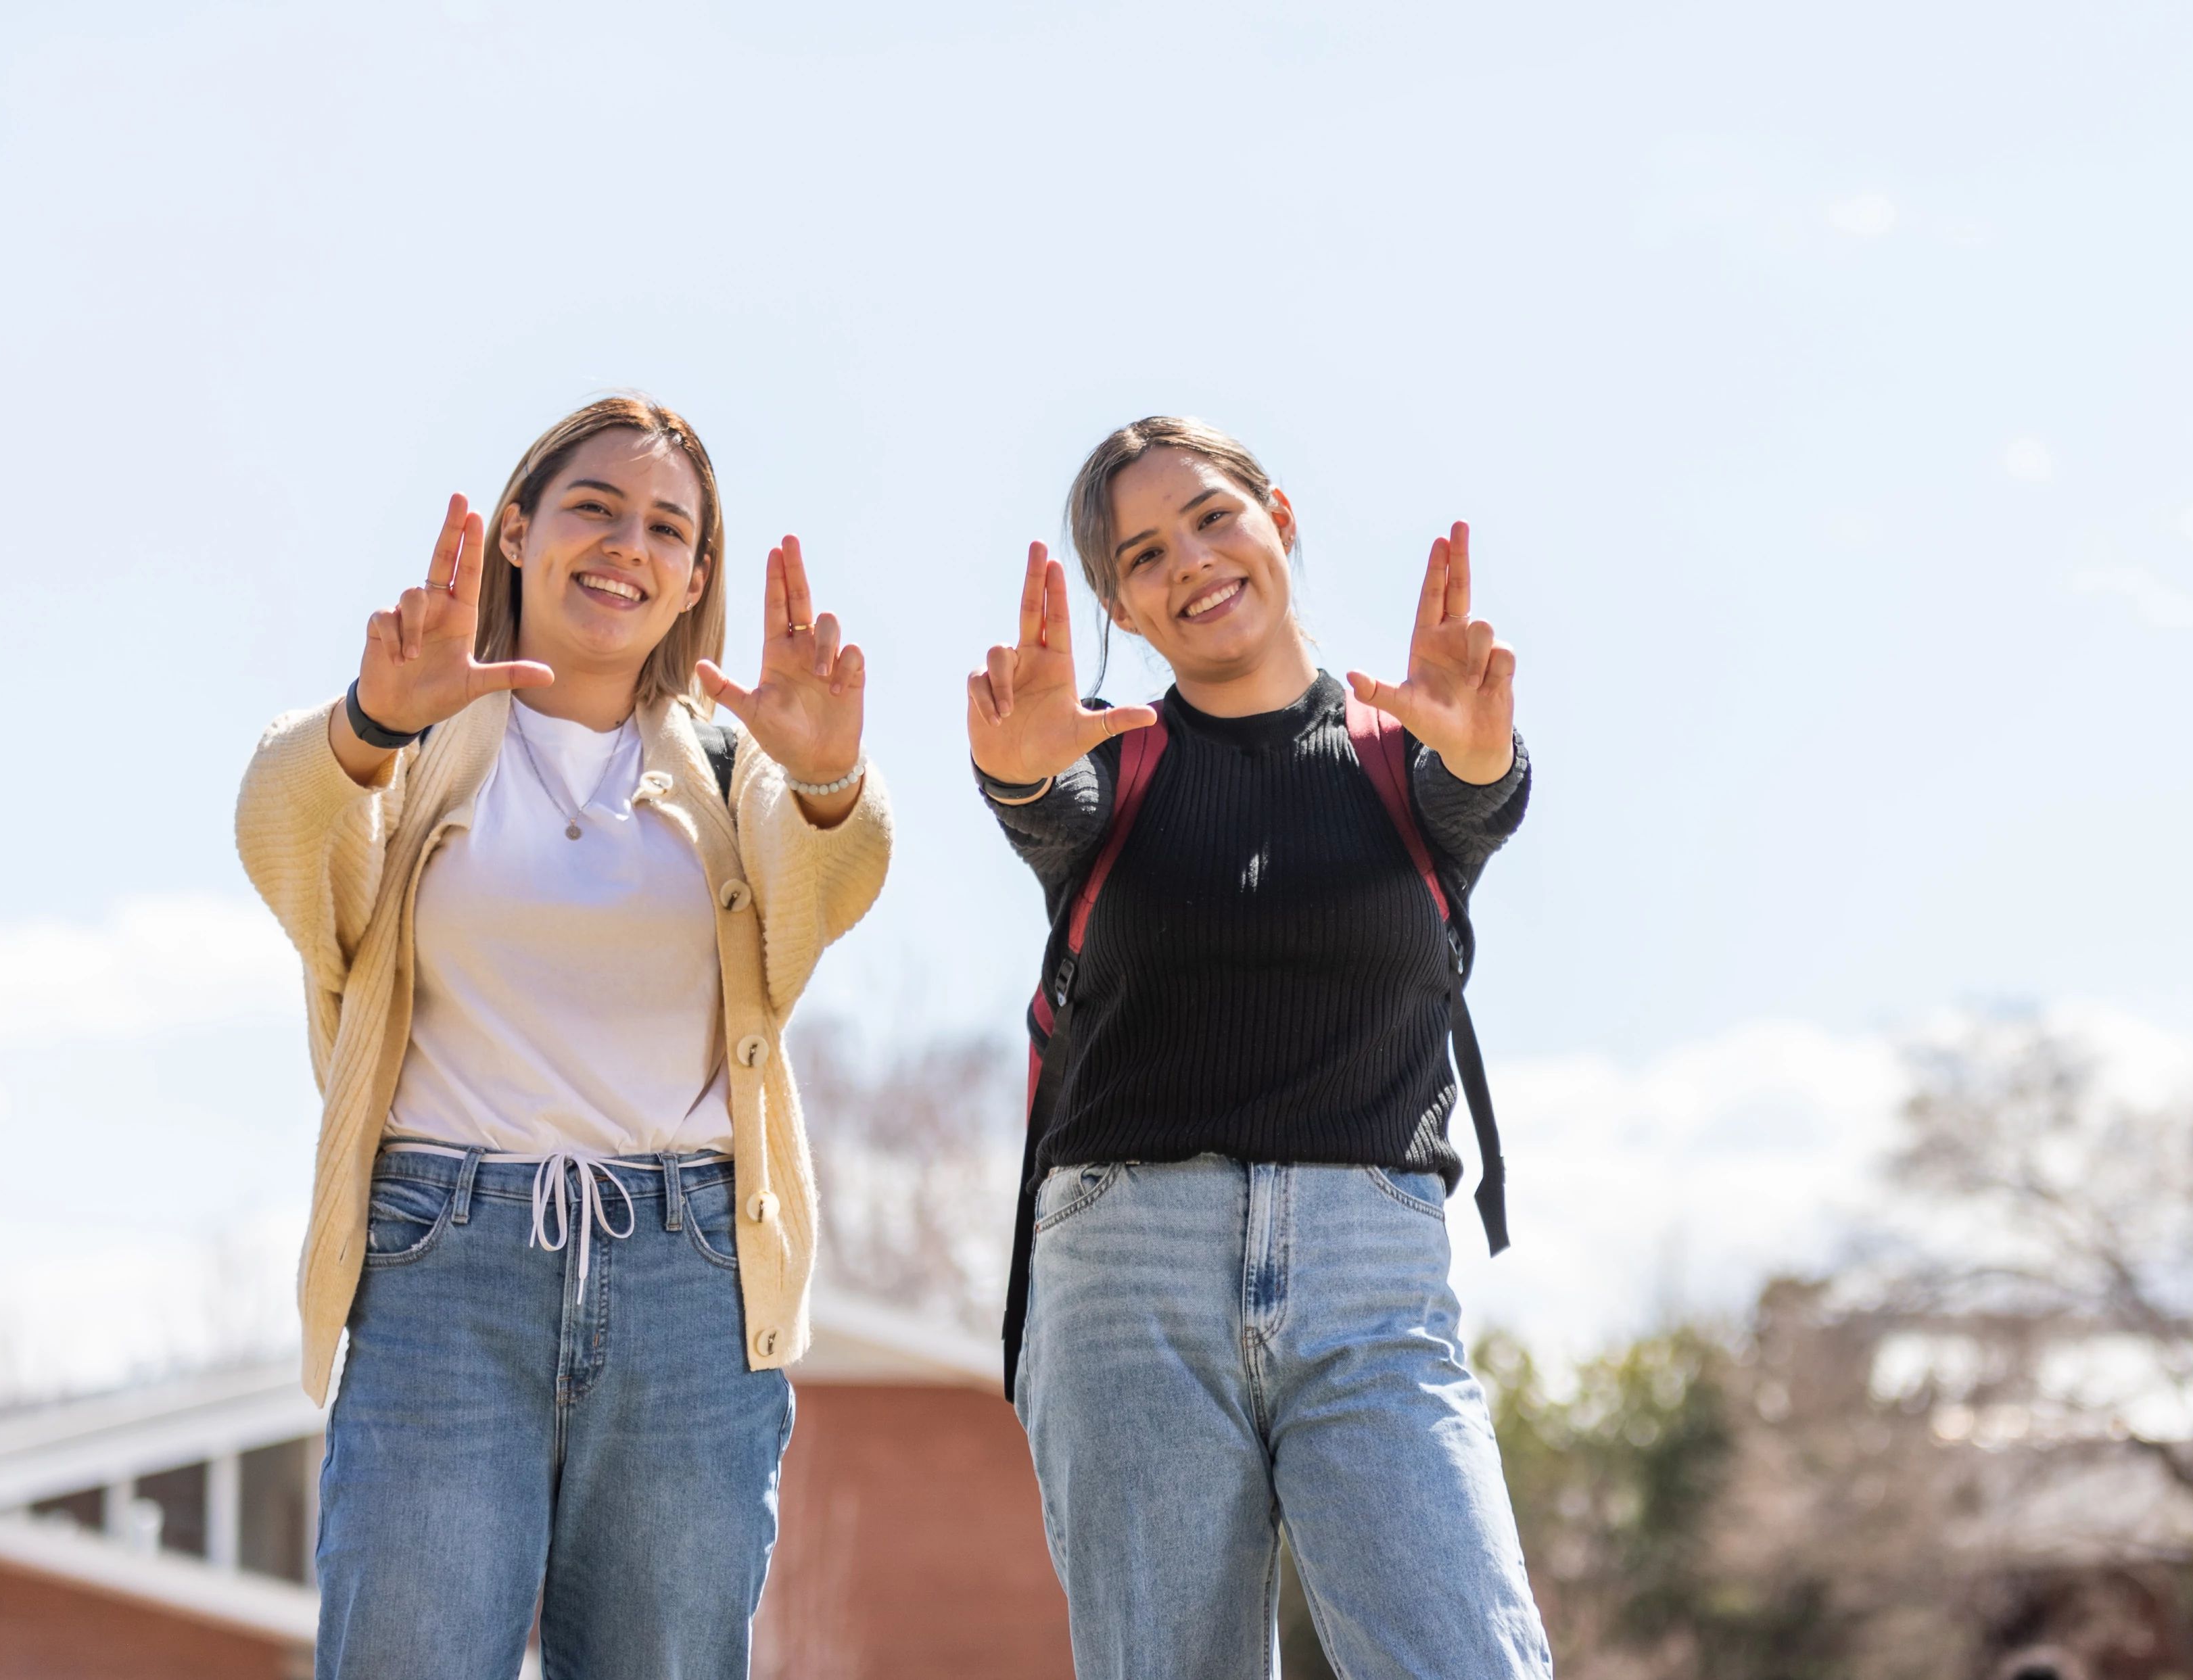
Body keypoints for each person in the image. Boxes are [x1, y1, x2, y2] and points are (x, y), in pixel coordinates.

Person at [235, 395, 891, 1680]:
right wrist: (370, 724)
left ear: (695, 577)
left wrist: (824, 779)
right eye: (596, 506)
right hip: (443, 1263)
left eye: (666, 528)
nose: (627, 545)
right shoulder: (419, 737)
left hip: (689, 1278)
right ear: (520, 531)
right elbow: (282, 828)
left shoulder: (724, 762)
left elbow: (832, 885)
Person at [964, 415, 1551, 1680]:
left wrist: (1482, 747)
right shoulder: (1106, 774)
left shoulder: (1409, 756)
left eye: (1211, 517)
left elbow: (1476, 793)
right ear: (1121, 599)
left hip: (1369, 1276)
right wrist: (1014, 776)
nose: (1189, 561)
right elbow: (1043, 806)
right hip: (1129, 1270)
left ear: (1278, 516)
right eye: (1143, 554)